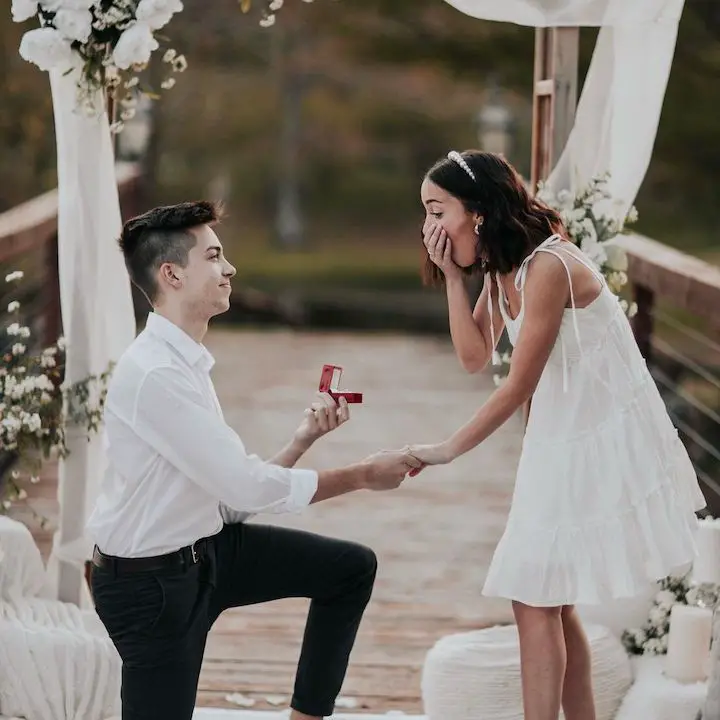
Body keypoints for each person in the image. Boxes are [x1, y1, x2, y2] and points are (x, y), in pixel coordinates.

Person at [86, 200, 421, 720]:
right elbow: (245, 488)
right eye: (215, 256)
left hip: (204, 553)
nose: (230, 268)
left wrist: (301, 439)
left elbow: (228, 494)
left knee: (349, 570)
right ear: (171, 274)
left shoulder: (186, 361)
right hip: (149, 587)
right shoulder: (156, 374)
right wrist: (362, 475)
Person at [406, 150, 706, 720]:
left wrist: (447, 449)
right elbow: (474, 358)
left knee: (535, 596)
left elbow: (517, 384)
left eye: (436, 209)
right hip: (557, 441)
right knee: (551, 599)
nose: (429, 227)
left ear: (477, 211)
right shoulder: (504, 269)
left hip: (598, 441)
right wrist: (451, 276)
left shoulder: (549, 266)